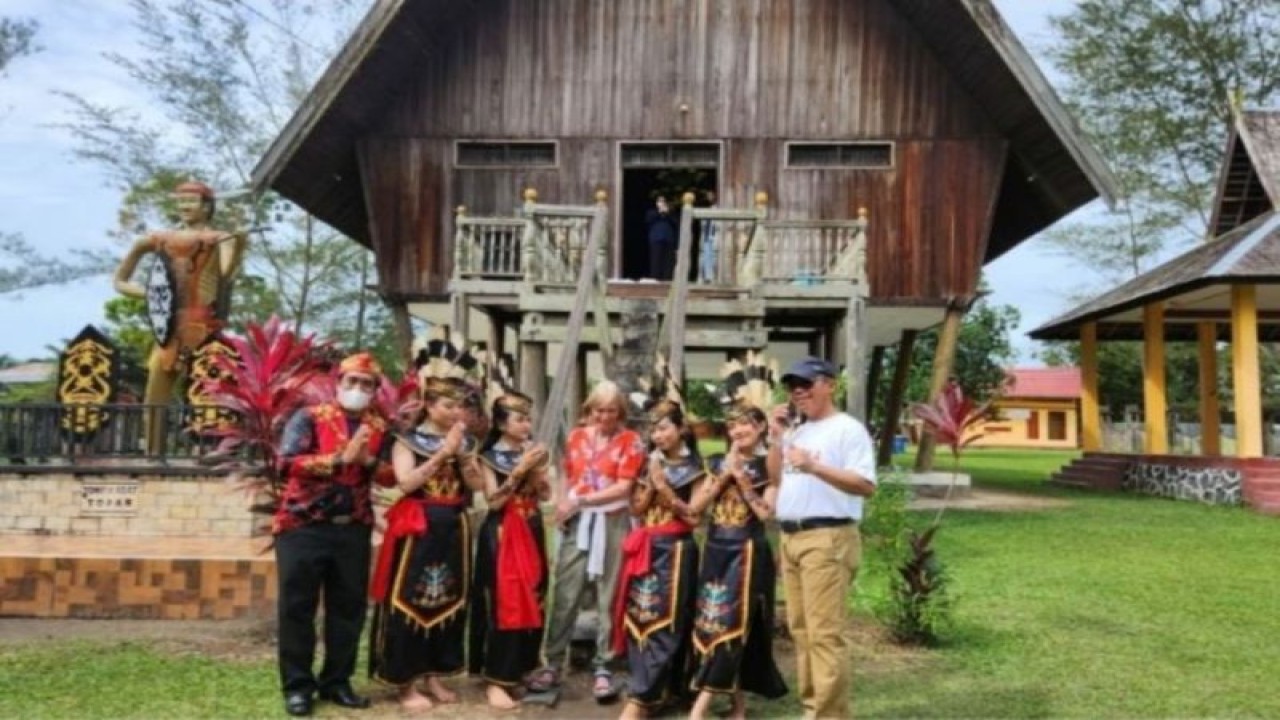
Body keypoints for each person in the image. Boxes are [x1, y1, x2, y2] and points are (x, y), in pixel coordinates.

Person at [274, 351, 395, 717]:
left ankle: (337, 681)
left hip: (353, 529)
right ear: (338, 383)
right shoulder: (309, 417)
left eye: (367, 384)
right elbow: (286, 463)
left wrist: (367, 461)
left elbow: (391, 475)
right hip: (302, 527)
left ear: (375, 390)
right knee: (297, 608)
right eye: (352, 382)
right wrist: (339, 459)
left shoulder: (380, 428)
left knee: (348, 609)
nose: (358, 389)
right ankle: (298, 686)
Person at [768, 357, 876, 720]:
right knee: (801, 632)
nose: (798, 391)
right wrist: (775, 438)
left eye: (806, 383)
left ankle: (829, 716)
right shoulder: (797, 432)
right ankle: (813, 708)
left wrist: (814, 466)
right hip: (792, 538)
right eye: (792, 385)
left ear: (830, 384)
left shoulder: (848, 429)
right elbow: (776, 479)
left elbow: (865, 485)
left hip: (828, 536)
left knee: (824, 634)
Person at [369, 373, 485, 711]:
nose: (455, 412)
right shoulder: (407, 441)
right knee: (409, 598)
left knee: (447, 597)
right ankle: (404, 680)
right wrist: (441, 454)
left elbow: (476, 485)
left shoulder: (466, 442)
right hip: (418, 526)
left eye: (459, 406)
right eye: (447, 405)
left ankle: (433, 671)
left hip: (453, 527)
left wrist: (462, 456)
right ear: (429, 406)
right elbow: (405, 484)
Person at [527, 381, 646, 701]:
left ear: (620, 412)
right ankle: (552, 661)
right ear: (589, 410)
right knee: (566, 590)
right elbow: (567, 473)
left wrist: (581, 501)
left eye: (611, 410)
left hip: (611, 520)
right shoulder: (577, 437)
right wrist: (563, 503)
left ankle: (604, 665)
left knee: (609, 592)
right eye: (599, 410)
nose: (604, 417)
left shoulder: (630, 441)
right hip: (578, 521)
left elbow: (624, 487)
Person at [112, 180, 247, 453]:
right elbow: (120, 281)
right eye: (181, 201)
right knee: (155, 395)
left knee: (209, 394)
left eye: (192, 201)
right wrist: (153, 295)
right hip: (168, 330)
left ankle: (213, 451)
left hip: (204, 328)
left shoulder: (219, 238)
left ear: (207, 207)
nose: (185, 206)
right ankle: (153, 452)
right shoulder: (156, 239)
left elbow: (225, 273)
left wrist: (237, 243)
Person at [689, 400, 788, 719]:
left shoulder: (768, 465)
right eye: (731, 425)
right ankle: (738, 707)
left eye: (744, 423)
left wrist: (743, 482)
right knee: (713, 621)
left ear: (760, 427)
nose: (737, 430)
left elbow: (764, 513)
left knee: (734, 624)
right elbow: (697, 508)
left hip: (747, 554)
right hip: (715, 550)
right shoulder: (716, 461)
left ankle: (699, 709)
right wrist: (723, 474)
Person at [616, 398, 709, 719]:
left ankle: (643, 697)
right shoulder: (647, 463)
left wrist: (664, 488)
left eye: (664, 428)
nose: (657, 435)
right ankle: (648, 691)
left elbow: (695, 518)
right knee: (640, 615)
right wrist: (649, 485)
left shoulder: (697, 468)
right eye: (653, 430)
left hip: (676, 550)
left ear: (681, 429)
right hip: (647, 545)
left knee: (667, 619)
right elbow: (636, 509)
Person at [468, 387, 552, 710]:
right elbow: (494, 500)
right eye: (519, 419)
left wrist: (539, 474)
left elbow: (544, 496)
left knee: (535, 597)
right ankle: (495, 679)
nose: (526, 425)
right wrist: (518, 471)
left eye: (528, 419)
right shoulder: (489, 457)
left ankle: (520, 670)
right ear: (502, 425)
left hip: (531, 529)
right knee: (506, 604)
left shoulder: (531, 452)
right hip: (503, 533)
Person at [644, 196, 679, 281]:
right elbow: (648, 220)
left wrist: (667, 213)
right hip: (656, 239)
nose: (662, 203)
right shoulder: (652, 212)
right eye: (660, 201)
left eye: (663, 201)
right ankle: (655, 279)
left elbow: (676, 223)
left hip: (669, 240)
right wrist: (660, 212)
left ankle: (667, 279)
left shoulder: (671, 213)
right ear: (656, 203)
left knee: (668, 262)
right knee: (656, 260)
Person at [698, 190, 718, 284]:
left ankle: (711, 276)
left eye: (711, 195)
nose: (709, 197)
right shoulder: (706, 208)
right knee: (705, 256)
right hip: (706, 235)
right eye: (708, 195)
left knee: (713, 256)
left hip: (714, 234)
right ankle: (706, 276)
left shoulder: (718, 208)